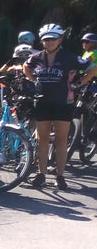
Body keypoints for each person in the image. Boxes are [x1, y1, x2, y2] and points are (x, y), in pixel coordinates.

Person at [24, 24, 97, 190]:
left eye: (53, 39)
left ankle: (60, 176)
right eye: (46, 39)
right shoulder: (37, 57)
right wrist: (32, 80)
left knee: (61, 140)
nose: (49, 42)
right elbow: (25, 67)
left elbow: (92, 68)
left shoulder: (69, 57)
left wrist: (80, 82)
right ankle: (40, 174)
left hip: (63, 103)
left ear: (60, 40)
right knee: (41, 139)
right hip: (42, 101)